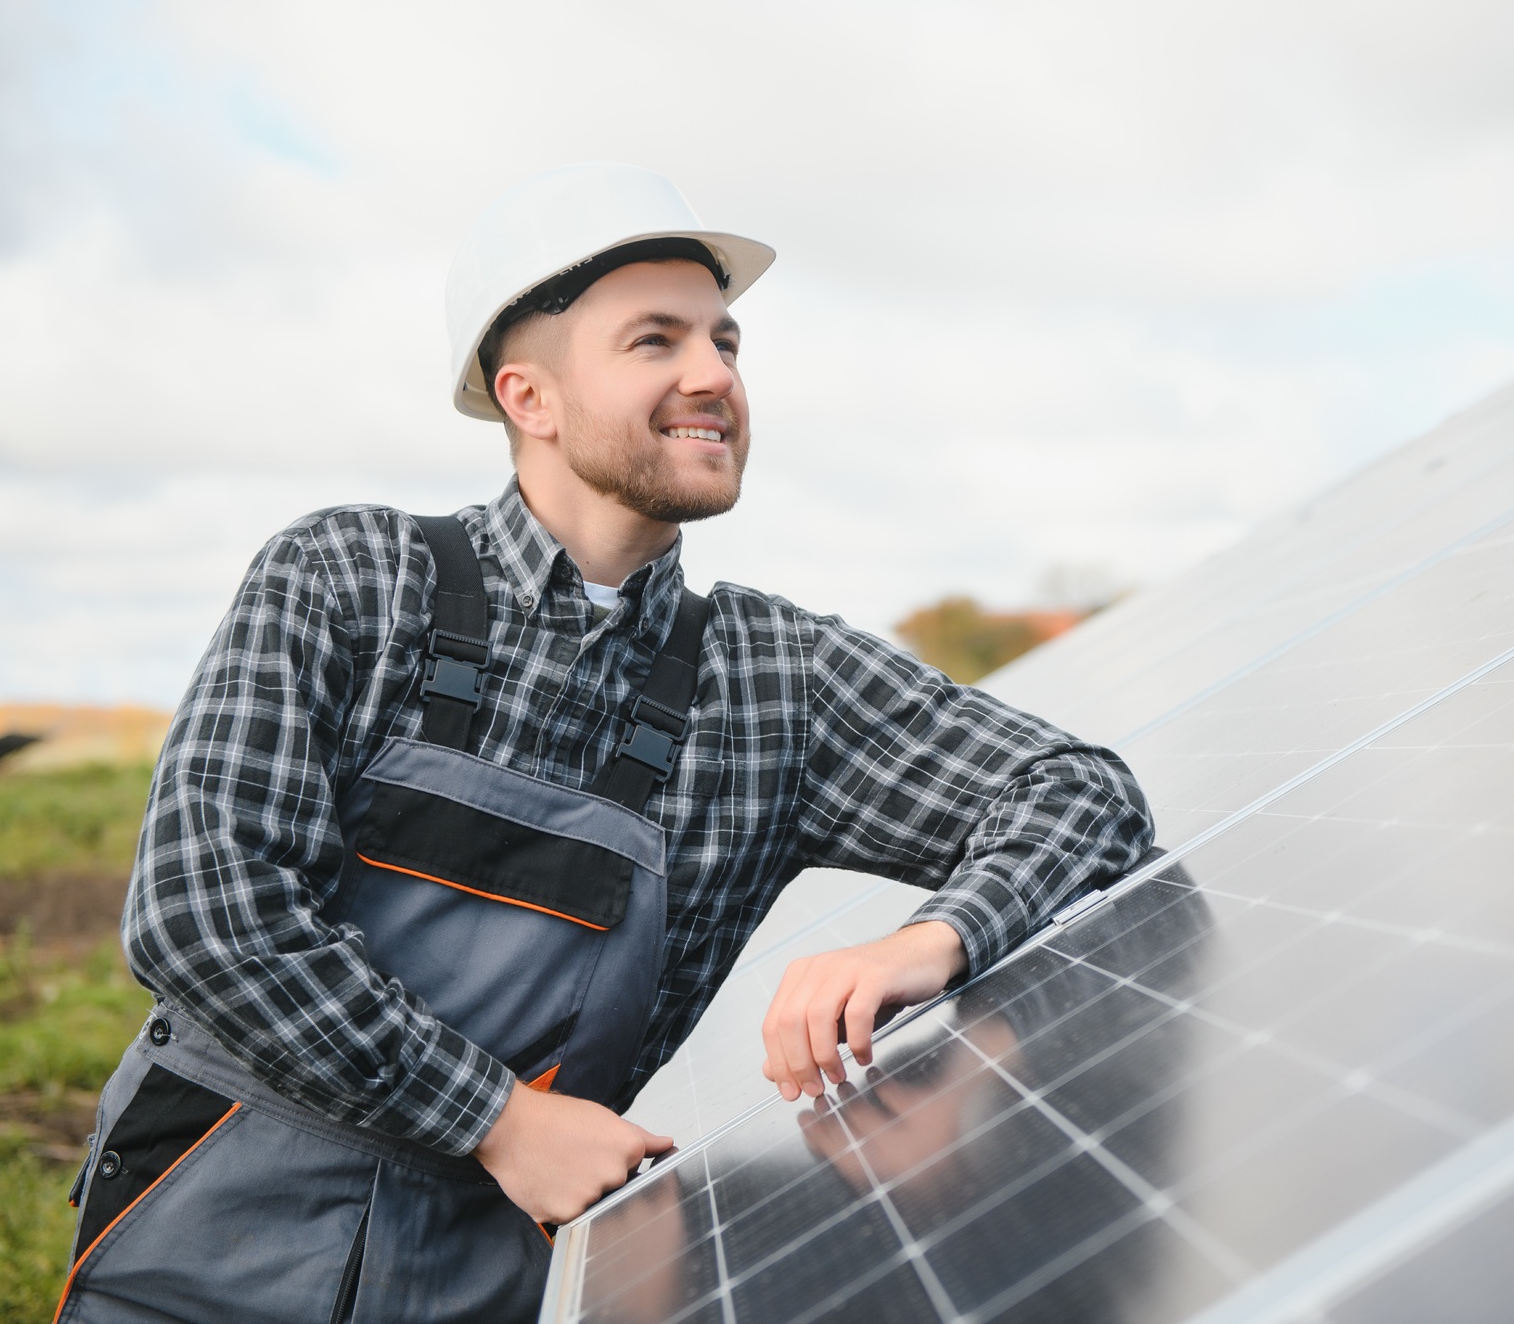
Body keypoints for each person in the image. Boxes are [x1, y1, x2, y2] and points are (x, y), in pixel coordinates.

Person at [58, 163, 1153, 1324]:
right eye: (655, 340)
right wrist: (498, 1118)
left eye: (726, 341)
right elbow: (203, 908)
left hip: (489, 1281)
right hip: (201, 1245)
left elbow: (1081, 793)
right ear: (527, 396)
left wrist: (930, 940)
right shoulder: (346, 579)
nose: (714, 375)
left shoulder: (774, 682)